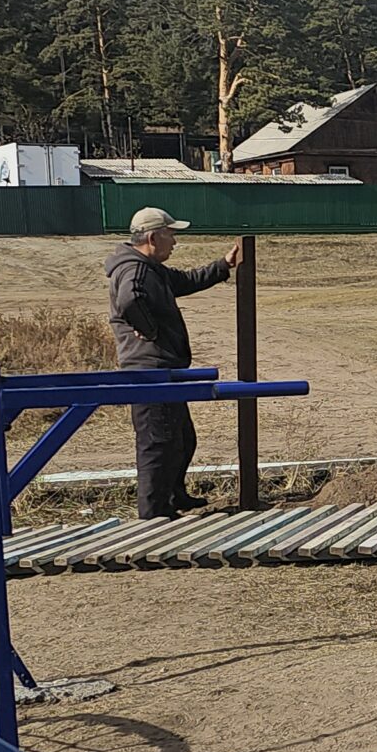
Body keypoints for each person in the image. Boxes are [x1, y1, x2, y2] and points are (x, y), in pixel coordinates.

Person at [105, 206, 241, 518]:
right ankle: (153, 511)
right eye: (170, 234)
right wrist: (148, 329)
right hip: (148, 370)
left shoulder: (150, 268)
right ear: (152, 237)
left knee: (181, 437)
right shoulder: (134, 270)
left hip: (163, 368)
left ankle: (174, 494)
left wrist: (223, 266)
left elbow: (183, 281)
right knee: (157, 441)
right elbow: (129, 300)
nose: (175, 242)